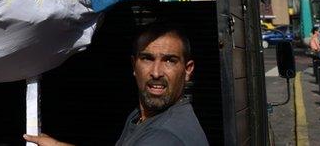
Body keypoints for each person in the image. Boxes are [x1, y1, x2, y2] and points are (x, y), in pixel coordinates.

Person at [24, 22, 209, 145]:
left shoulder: (165, 136)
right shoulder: (142, 115)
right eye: (147, 58)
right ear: (133, 66)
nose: (156, 72)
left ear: (187, 70)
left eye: (169, 60)